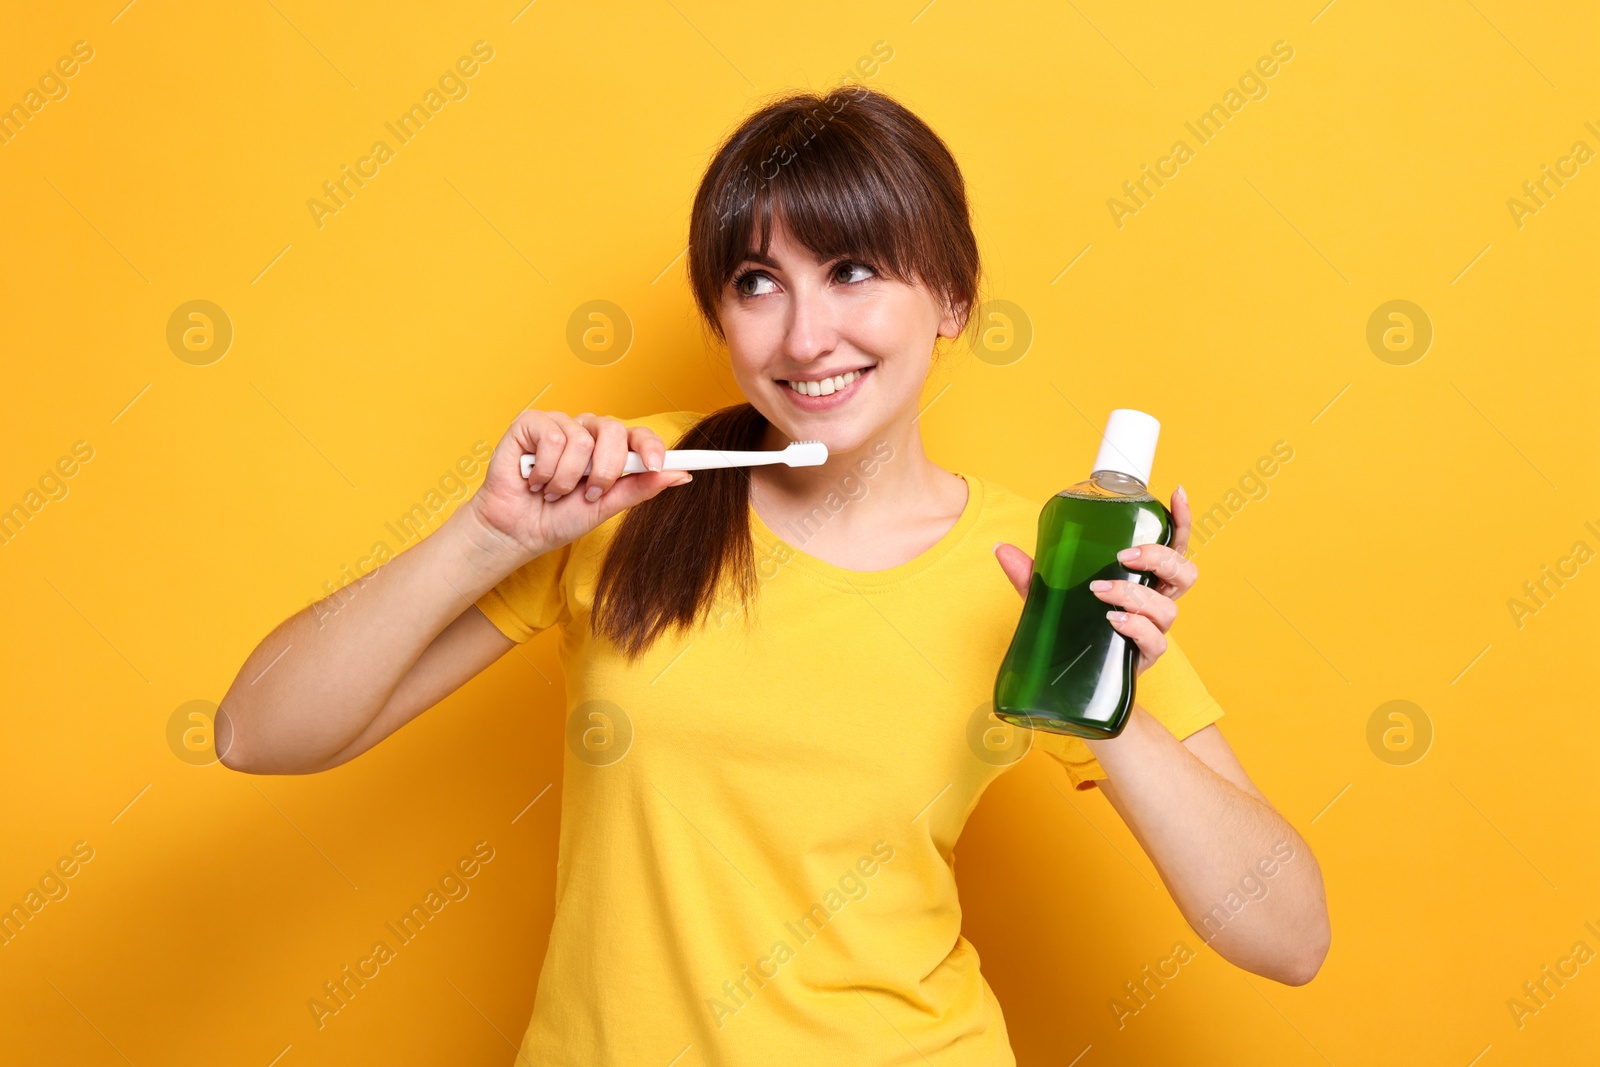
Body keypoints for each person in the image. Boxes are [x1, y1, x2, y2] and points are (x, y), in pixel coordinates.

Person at [219, 84, 1329, 1065]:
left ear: (948, 298)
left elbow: (1286, 933)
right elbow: (258, 734)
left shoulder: (1033, 572)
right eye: (758, 281)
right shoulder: (628, 490)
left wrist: (1094, 692)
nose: (805, 335)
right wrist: (486, 535)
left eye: (851, 270)